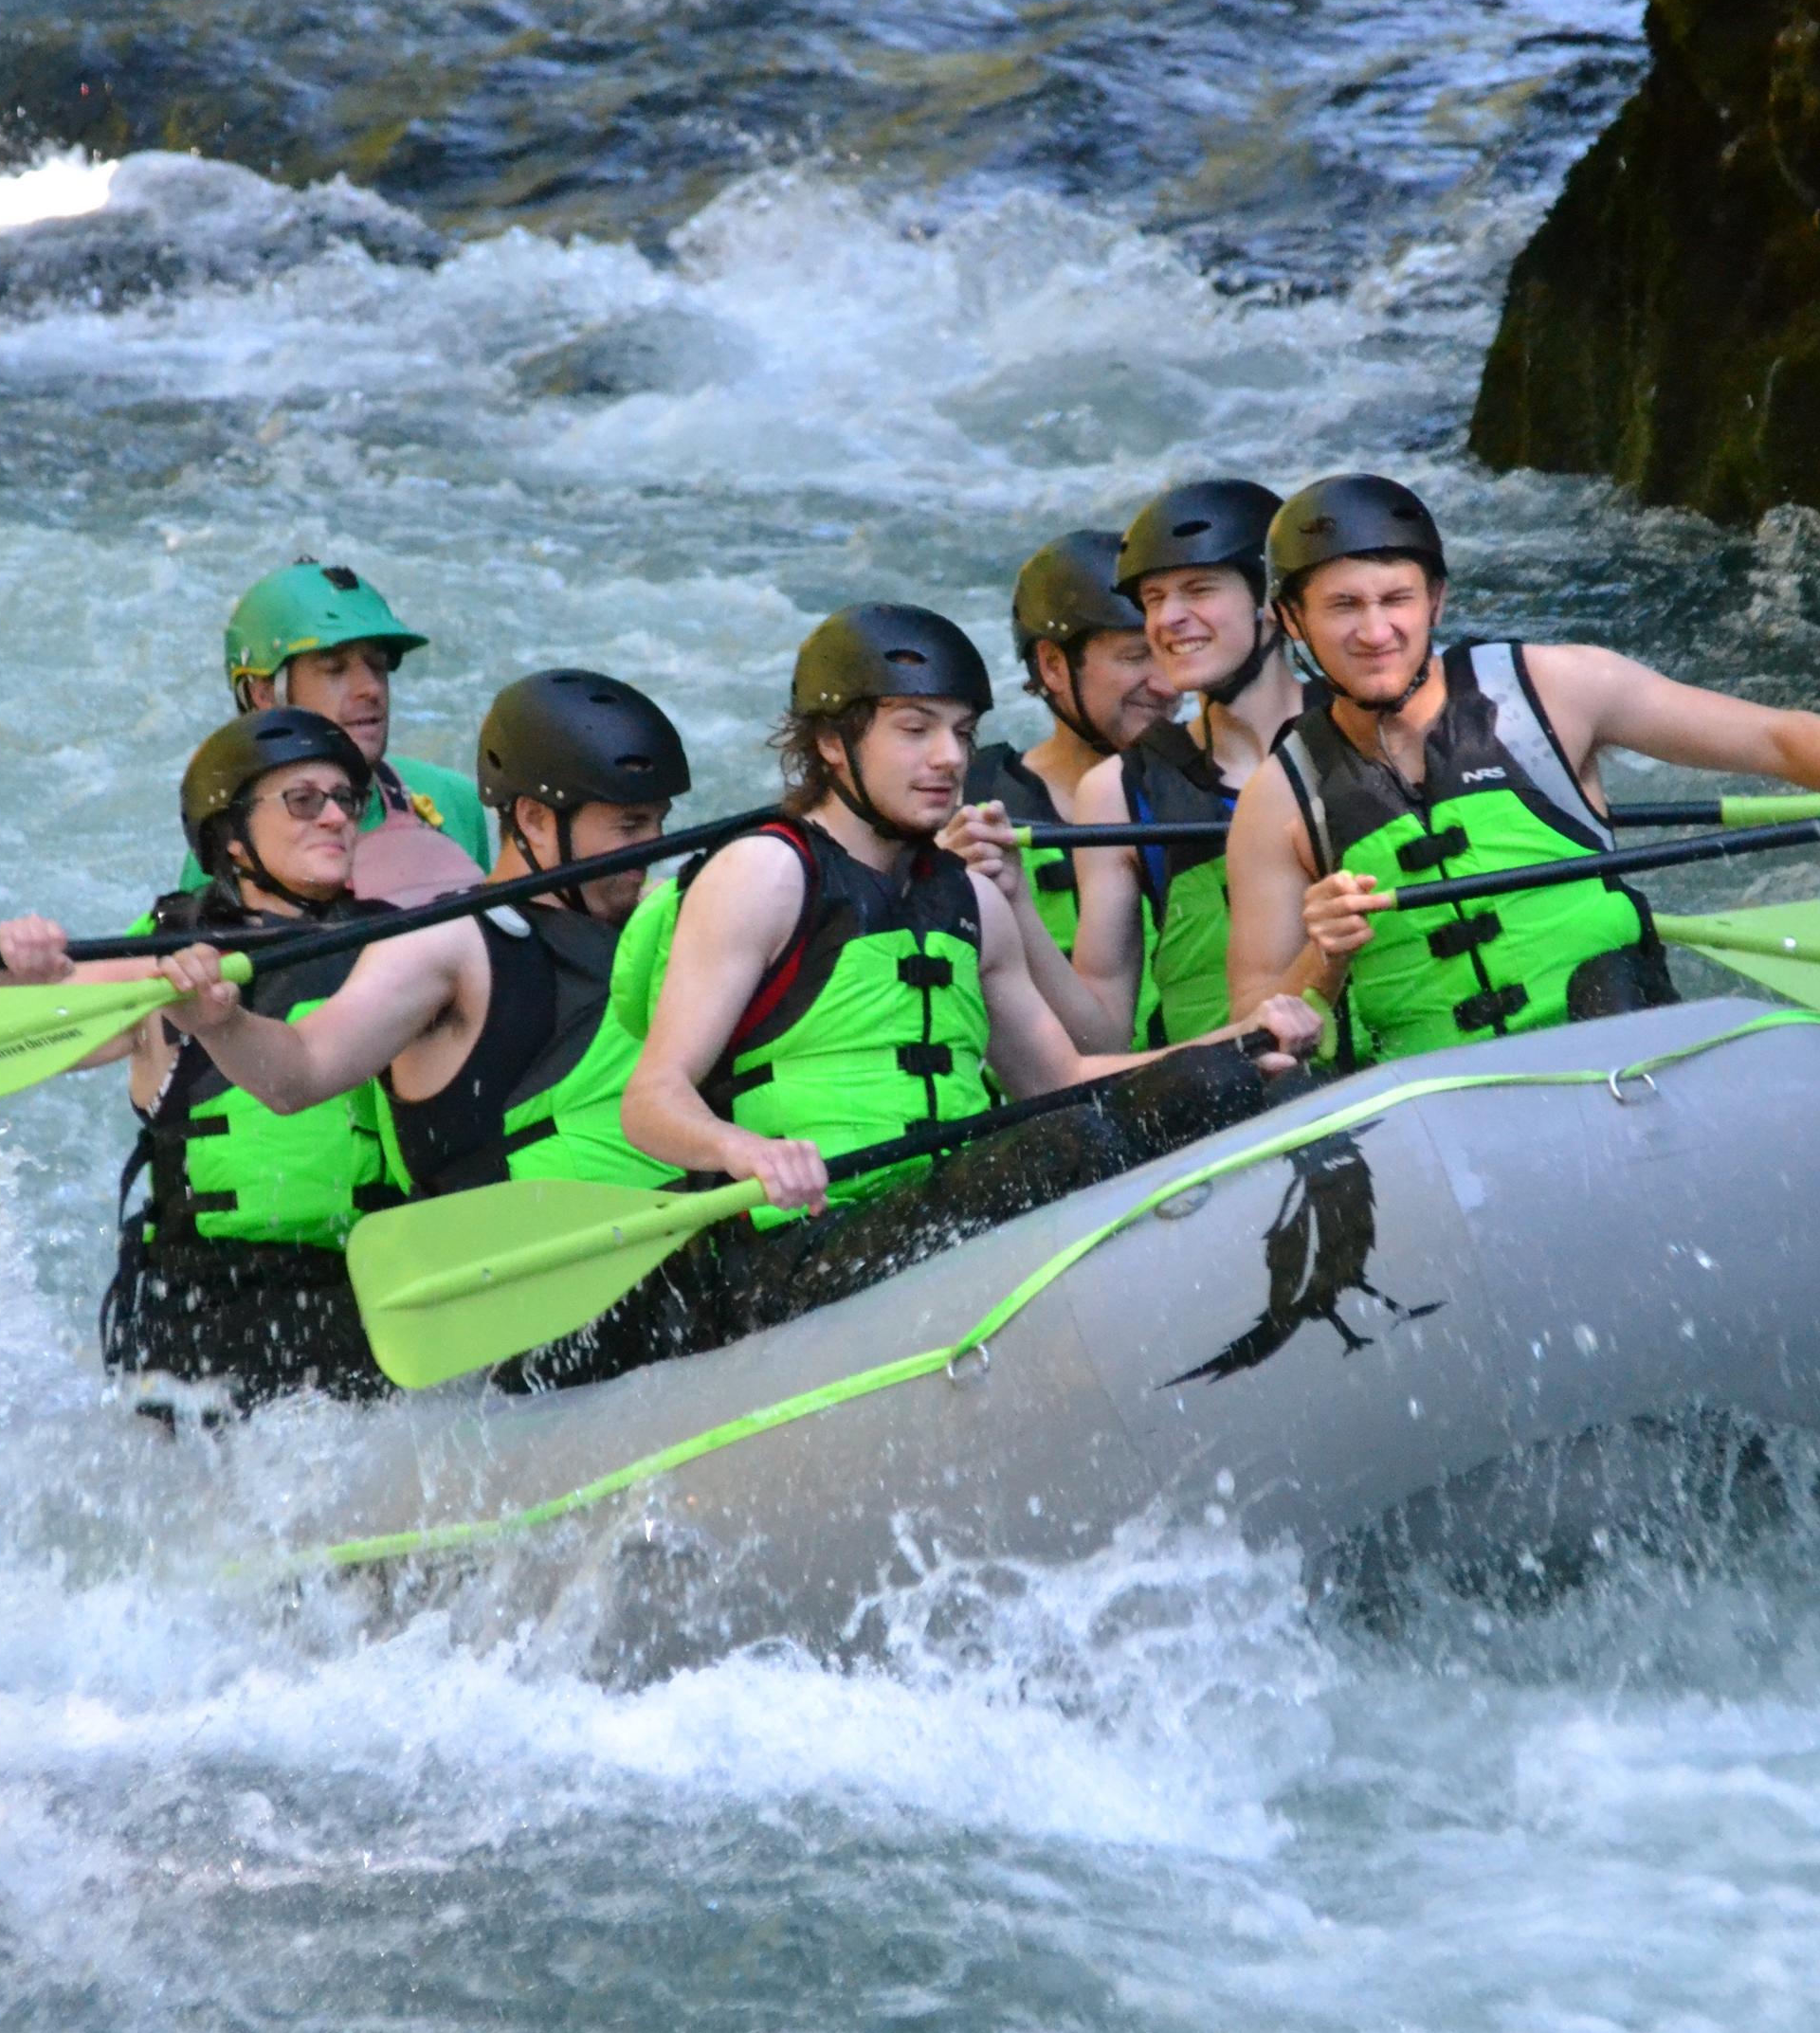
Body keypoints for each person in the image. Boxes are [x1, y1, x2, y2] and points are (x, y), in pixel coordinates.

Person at [513, 603, 1321, 1388]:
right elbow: (651, 1101)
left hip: (940, 1220)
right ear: (833, 743)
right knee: (1064, 1150)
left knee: (1213, 1087)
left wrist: (1238, 1043)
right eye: (914, 729)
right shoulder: (765, 874)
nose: (948, 758)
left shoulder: (969, 899)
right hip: (795, 1259)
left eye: (962, 733)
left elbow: (1059, 1081)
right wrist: (744, 1152)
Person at [1223, 475, 1820, 1063]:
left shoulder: (1553, 692)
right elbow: (1263, 1027)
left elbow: (1773, 738)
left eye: (1396, 600)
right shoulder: (1278, 801)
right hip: (1438, 1116)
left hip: (1617, 1065)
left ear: (1435, 599)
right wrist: (1325, 954)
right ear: (1292, 621)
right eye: (1343, 606)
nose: (1376, 632)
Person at [140, 670, 695, 1207]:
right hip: (518, 1269)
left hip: (681, 1256)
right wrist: (220, 1024)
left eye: (657, 823)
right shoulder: (444, 944)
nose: (654, 847)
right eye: (631, 827)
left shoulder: (660, 923)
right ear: (535, 818)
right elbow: (302, 1069)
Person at [0, 709, 411, 1409]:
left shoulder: (401, 949)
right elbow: (5, 1033)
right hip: (201, 1301)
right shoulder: (163, 955)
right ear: (233, 838)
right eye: (304, 800)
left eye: (347, 799)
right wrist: (14, 970)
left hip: (362, 1290)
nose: (336, 817)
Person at [1061, 478, 1312, 1047]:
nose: (1167, 619)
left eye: (1197, 590)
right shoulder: (1115, 794)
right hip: (1235, 1107)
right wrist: (1016, 909)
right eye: (1153, 599)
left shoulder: (1366, 737)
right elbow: (1099, 1036)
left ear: (1272, 603)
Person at [958, 533, 1172, 1029]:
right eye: (1137, 656)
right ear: (1054, 665)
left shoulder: (1220, 783)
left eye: (1171, 651)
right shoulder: (968, 802)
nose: (1168, 685)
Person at [202, 559, 488, 902]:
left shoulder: (453, 798)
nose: (371, 688)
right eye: (334, 669)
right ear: (264, 694)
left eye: (378, 664)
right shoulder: (234, 837)